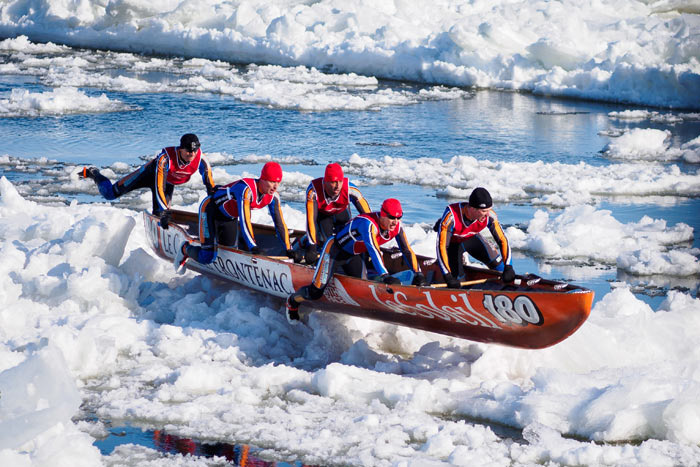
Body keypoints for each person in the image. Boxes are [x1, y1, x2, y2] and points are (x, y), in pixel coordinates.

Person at [286, 198, 426, 322]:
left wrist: (417, 273)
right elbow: (373, 250)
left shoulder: (397, 227)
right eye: (391, 217)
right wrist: (385, 276)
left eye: (398, 217)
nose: (395, 222)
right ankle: (292, 301)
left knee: (361, 291)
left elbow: (407, 250)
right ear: (382, 214)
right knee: (315, 292)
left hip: (353, 255)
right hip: (334, 252)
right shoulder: (368, 225)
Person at [174, 161, 301, 272]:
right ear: (262, 178)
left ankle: (212, 245)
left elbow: (279, 224)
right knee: (208, 256)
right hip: (210, 211)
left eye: (278, 182)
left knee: (230, 255)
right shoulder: (246, 190)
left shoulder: (274, 196)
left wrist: (288, 249)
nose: (275, 186)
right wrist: (253, 247)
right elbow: (245, 219)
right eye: (272, 181)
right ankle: (186, 248)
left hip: (229, 218)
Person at [78, 133, 215, 222]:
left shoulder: (201, 159)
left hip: (167, 180)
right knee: (110, 194)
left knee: (160, 215)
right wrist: (164, 211)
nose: (192, 154)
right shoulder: (165, 159)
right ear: (180, 149)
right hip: (148, 175)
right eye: (188, 151)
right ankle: (94, 173)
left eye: (194, 150)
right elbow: (159, 185)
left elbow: (210, 185)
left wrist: (214, 206)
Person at [435, 187, 515, 288]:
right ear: (472, 209)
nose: (487, 214)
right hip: (453, 245)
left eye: (489, 210)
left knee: (502, 268)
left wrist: (509, 266)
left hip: (472, 239)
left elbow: (502, 240)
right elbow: (441, 247)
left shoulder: (490, 216)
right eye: (484, 211)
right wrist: (447, 276)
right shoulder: (451, 217)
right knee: (457, 283)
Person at [299, 162, 371, 265]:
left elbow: (369, 217)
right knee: (328, 244)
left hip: (342, 214)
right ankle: (305, 241)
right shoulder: (313, 191)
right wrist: (312, 247)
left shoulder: (352, 190)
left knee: (345, 242)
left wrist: (371, 244)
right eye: (333, 182)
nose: (337, 186)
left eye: (340, 181)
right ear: (325, 182)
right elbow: (311, 221)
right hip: (323, 215)